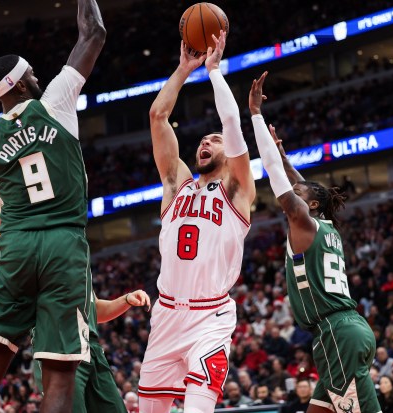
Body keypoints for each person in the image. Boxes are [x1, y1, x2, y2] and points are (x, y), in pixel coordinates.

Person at [0, 0, 106, 411]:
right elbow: (93, 33)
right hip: (63, 244)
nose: (39, 76)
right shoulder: (56, 101)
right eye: (31, 74)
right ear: (20, 85)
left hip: (16, 247)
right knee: (59, 379)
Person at [248, 71, 380, 413]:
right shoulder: (326, 227)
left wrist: (256, 116)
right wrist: (286, 156)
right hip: (346, 330)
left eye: (299, 195)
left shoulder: (303, 220)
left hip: (336, 332)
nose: (293, 194)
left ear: (311, 205)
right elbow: (301, 184)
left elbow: (279, 179)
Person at [138, 31, 255, 413]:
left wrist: (214, 71)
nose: (206, 142)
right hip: (167, 313)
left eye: (215, 140)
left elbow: (233, 123)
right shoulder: (176, 185)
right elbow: (158, 116)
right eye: (203, 140)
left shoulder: (237, 190)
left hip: (211, 317)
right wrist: (183, 69)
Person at [0, 182, 150, 413]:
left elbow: (95, 309)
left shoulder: (77, 253)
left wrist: (127, 299)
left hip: (92, 350)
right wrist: (15, 159)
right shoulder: (29, 247)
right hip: (57, 349)